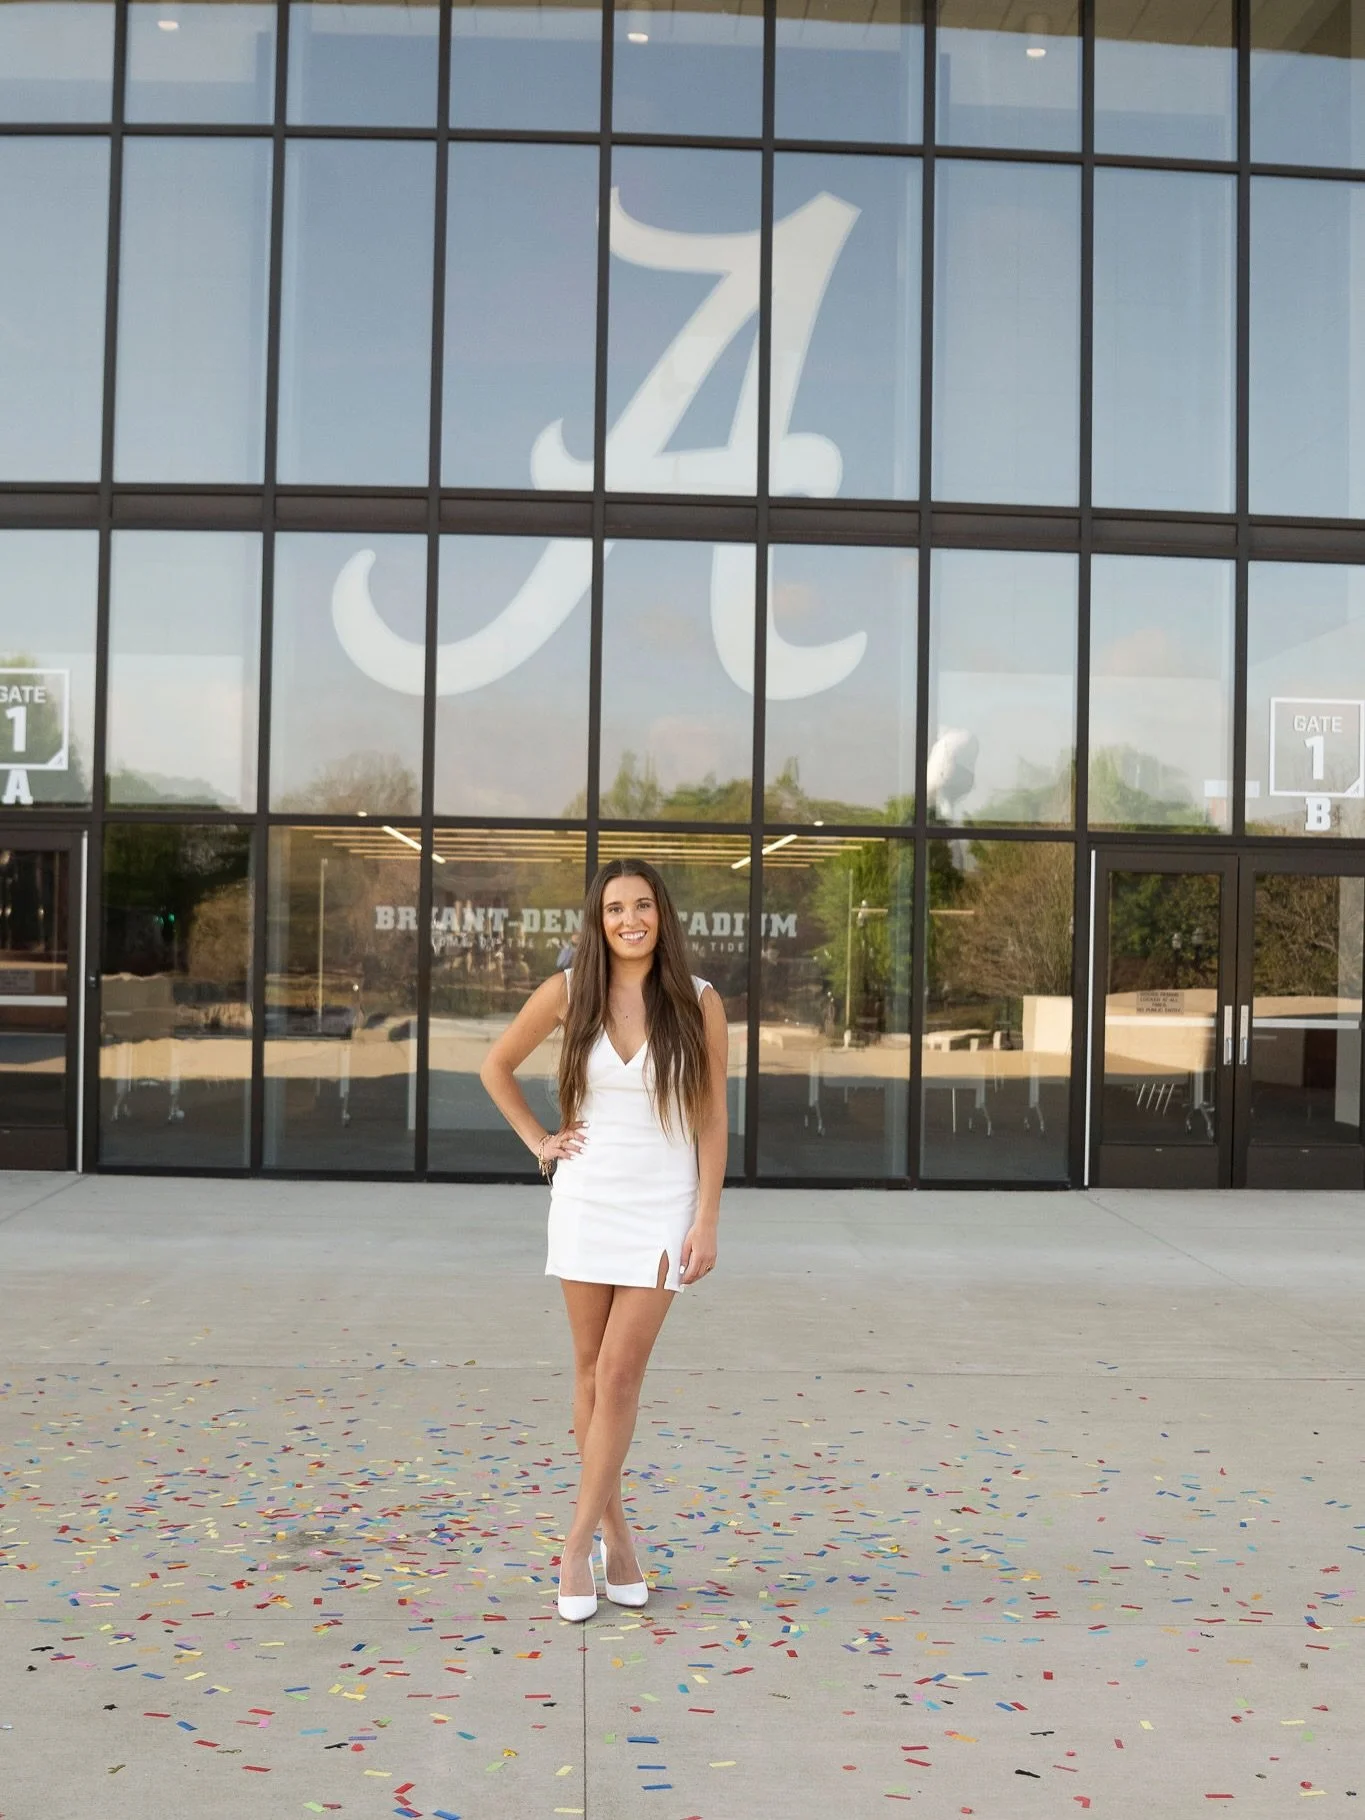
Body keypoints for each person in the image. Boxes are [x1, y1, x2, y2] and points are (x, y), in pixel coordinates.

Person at [480, 858, 728, 1621]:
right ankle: (617, 1542)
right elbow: (495, 1065)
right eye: (615, 908)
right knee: (588, 1371)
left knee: (619, 1374)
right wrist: (539, 1141)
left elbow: (713, 1116)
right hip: (587, 1199)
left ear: (662, 915)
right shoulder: (567, 992)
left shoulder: (698, 1001)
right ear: (597, 919)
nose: (629, 919)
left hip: (662, 1203)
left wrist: (707, 1218)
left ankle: (573, 1542)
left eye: (642, 906)